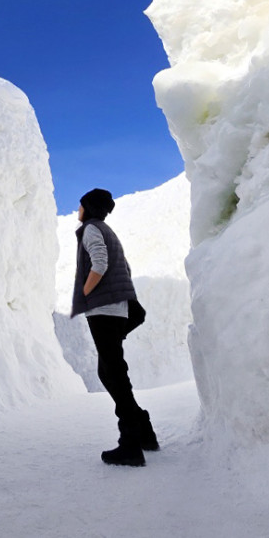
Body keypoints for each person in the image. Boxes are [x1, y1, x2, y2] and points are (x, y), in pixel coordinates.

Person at [70, 187, 159, 466]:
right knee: (111, 371)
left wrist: (86, 293)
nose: (78, 210)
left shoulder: (91, 229)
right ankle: (143, 431)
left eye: (81, 205)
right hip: (117, 309)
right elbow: (124, 267)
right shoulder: (108, 231)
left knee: (113, 372)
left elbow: (100, 263)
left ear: (89, 207)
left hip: (105, 309)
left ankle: (131, 444)